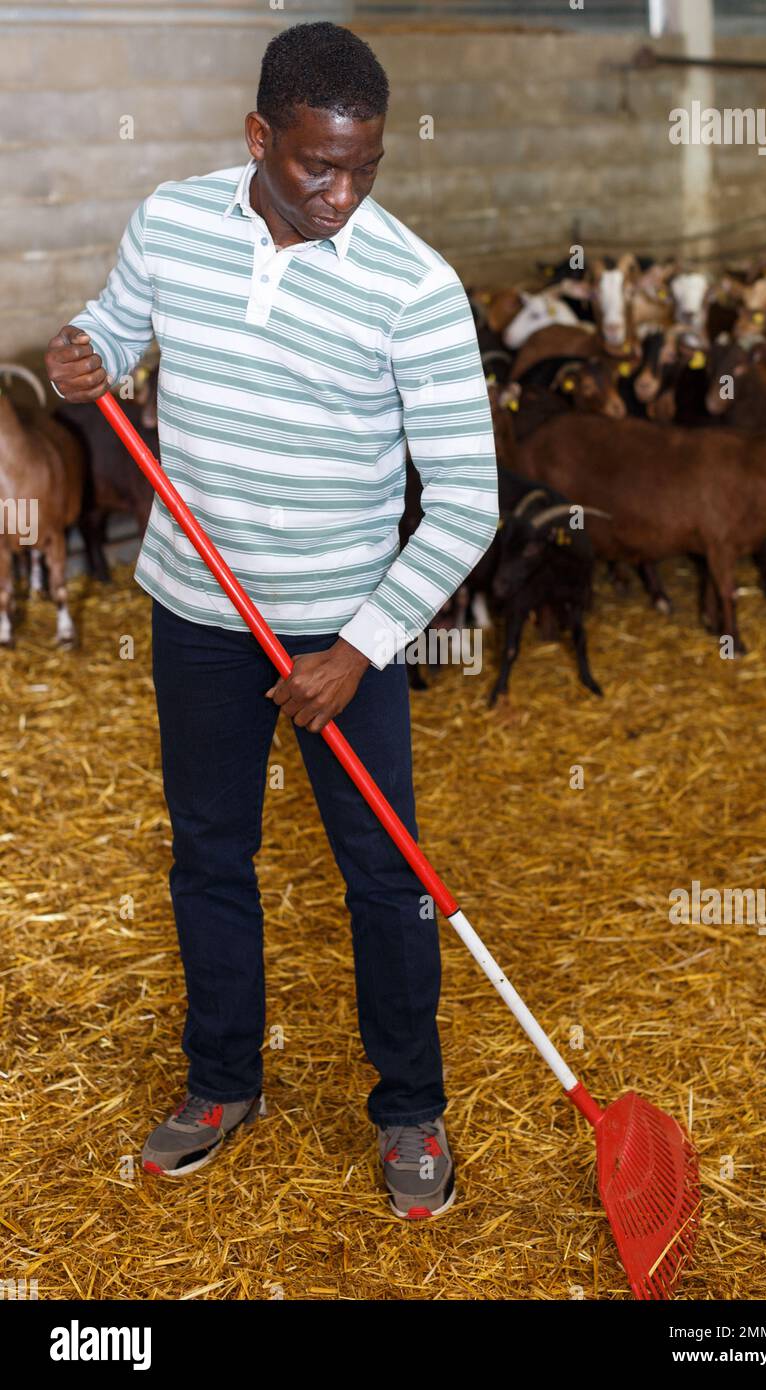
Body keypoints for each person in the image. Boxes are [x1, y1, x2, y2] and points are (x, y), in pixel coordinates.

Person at [45, 21, 498, 1219]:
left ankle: (409, 1105)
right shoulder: (174, 219)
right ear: (261, 137)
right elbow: (110, 336)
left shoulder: (415, 285)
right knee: (208, 853)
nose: (341, 193)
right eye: (315, 166)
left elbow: (465, 504)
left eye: (363, 166)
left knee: (385, 876)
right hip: (197, 614)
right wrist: (81, 359)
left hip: (342, 634)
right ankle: (220, 1081)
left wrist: (355, 650)